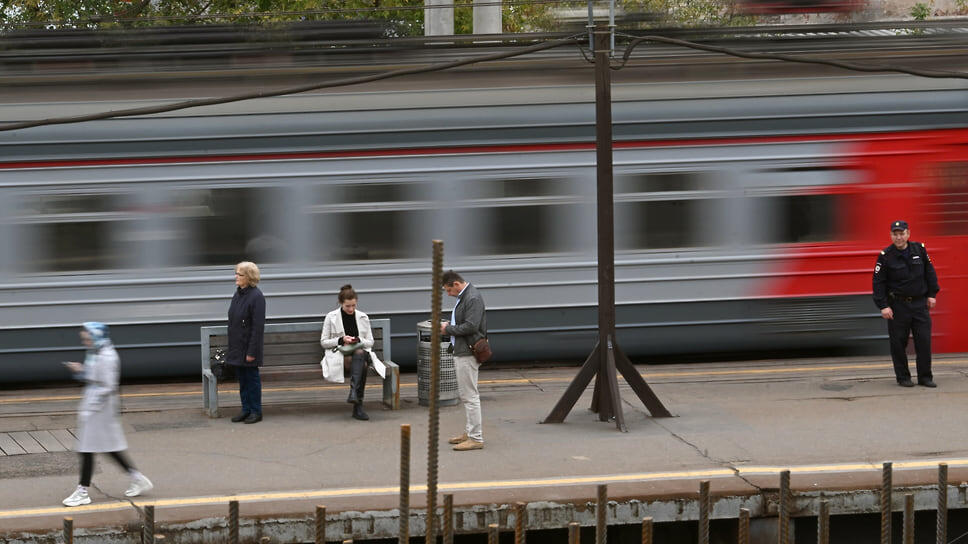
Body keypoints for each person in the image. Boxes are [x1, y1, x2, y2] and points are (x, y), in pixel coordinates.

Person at [61, 322, 153, 507]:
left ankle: (83, 491)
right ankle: (137, 478)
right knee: (108, 446)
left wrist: (92, 406)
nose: (85, 342)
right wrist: (81, 370)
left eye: (87, 339)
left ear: (96, 337)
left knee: (88, 448)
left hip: (100, 408)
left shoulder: (107, 356)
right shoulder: (98, 352)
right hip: (98, 407)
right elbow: (98, 378)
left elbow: (108, 385)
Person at [872, 220, 940, 388]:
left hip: (919, 305)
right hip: (898, 306)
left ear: (908, 234)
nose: (899, 237)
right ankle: (903, 377)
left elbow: (930, 273)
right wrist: (883, 306)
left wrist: (932, 294)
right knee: (898, 344)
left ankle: (925, 377)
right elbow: (878, 282)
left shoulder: (920, 250)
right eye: (895, 234)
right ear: (891, 236)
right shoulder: (885, 256)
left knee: (923, 342)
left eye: (902, 233)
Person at [321, 284, 384, 421]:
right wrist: (341, 339)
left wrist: (358, 339)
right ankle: (357, 406)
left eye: (353, 306)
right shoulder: (331, 317)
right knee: (363, 365)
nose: (351, 309)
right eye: (347, 306)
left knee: (360, 353)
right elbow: (324, 342)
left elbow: (370, 342)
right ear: (341, 303)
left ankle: (354, 392)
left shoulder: (363, 317)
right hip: (342, 355)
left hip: (360, 353)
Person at [440, 270, 487, 451]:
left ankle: (476, 438)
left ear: (456, 285)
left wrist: (448, 329)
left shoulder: (472, 298)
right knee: (468, 395)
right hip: (463, 349)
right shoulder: (466, 296)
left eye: (448, 290)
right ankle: (470, 432)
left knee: (470, 396)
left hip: (467, 351)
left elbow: (471, 326)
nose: (448, 294)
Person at [227, 261, 266, 423]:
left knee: (252, 380)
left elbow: (257, 328)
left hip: (249, 348)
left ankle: (256, 411)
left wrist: (252, 352)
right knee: (243, 380)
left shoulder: (257, 297)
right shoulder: (238, 294)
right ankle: (246, 409)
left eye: (240, 274)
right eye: (236, 273)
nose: (236, 277)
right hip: (238, 346)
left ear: (249, 277)